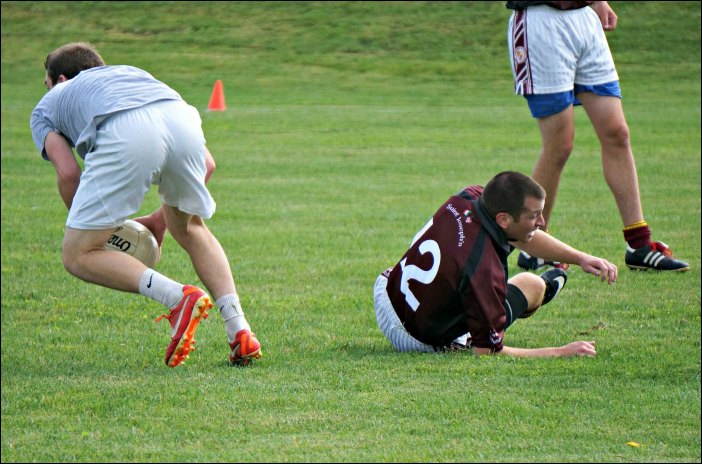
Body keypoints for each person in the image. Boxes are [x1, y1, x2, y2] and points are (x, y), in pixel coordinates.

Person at [30, 42, 262, 367]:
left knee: (77, 254)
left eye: (47, 83)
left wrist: (99, 236)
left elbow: (68, 173)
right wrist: (160, 219)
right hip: (181, 119)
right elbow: (207, 164)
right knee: (192, 228)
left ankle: (177, 298)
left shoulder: (48, 104)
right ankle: (240, 328)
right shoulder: (133, 74)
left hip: (125, 128)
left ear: (61, 79)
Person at [506, 1, 689, 272]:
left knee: (617, 133)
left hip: (584, 19)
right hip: (542, 21)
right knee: (559, 145)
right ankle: (533, 245)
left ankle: (638, 245)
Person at [373, 171, 618, 357]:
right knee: (531, 286)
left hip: (386, 288)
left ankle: (543, 287)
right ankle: (543, 289)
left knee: (527, 285)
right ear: (503, 219)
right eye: (534, 216)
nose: (542, 222)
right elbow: (488, 352)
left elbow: (522, 237)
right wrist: (561, 351)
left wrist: (581, 258)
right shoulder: (482, 267)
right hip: (414, 337)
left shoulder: (470, 196)